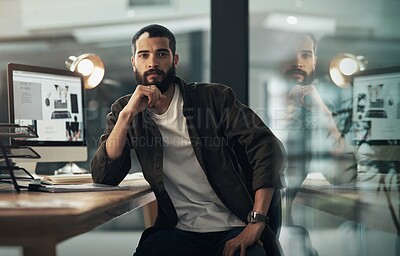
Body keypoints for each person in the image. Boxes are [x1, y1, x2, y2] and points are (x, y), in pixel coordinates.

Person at [91, 24, 286, 256]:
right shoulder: (125, 110)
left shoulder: (213, 98)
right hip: (177, 230)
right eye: (144, 55)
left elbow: (267, 147)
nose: (153, 62)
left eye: (161, 54)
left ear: (174, 60)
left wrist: (256, 222)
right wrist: (126, 117)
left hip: (233, 226)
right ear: (134, 62)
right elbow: (104, 176)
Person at [279, 33, 357, 225]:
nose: (298, 62)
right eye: (292, 54)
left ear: (314, 62)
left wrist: (323, 111)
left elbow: (346, 176)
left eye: (306, 55)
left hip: (304, 222)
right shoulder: (255, 105)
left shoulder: (326, 112)